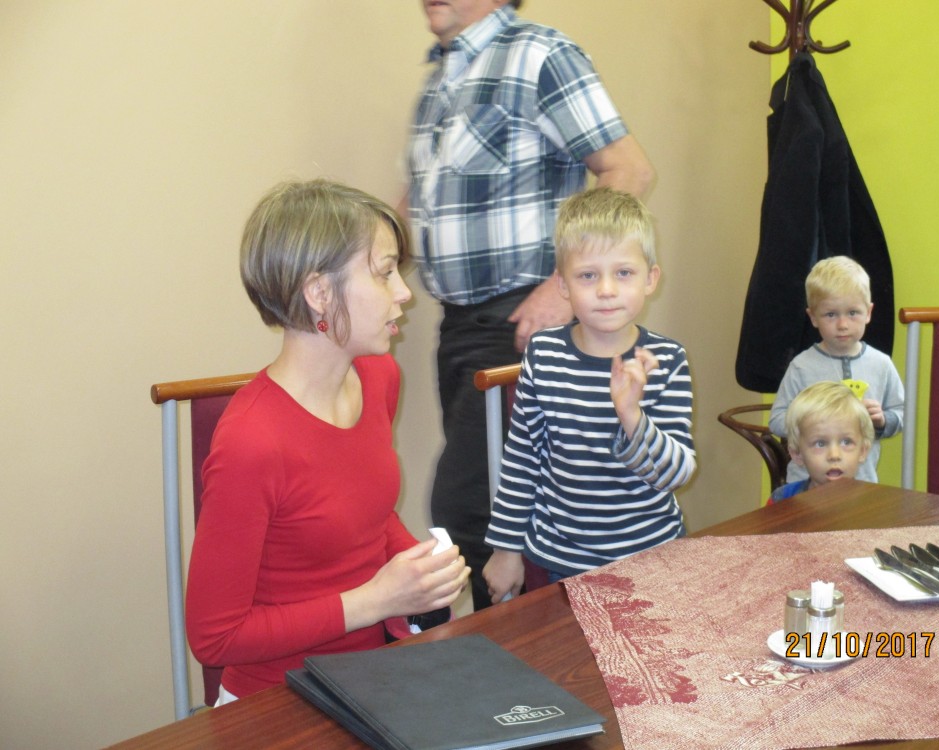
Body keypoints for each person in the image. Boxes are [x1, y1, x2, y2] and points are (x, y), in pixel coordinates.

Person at [407, 0, 655, 610]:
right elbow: (420, 206)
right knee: (502, 513)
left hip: (519, 325)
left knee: (465, 511)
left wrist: (561, 288)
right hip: (459, 329)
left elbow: (628, 170)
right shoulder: (439, 81)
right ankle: (528, 654)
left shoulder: (539, 55)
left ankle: (499, 659)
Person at [185, 179, 470, 703]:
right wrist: (376, 600)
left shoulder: (378, 376)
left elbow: (369, 517)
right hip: (278, 701)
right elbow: (214, 637)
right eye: (384, 273)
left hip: (372, 678)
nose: (404, 293)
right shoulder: (252, 441)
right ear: (318, 292)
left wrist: (418, 574)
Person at [481, 187, 696, 602]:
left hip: (650, 556)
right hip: (558, 560)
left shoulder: (666, 359)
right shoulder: (544, 354)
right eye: (588, 275)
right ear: (563, 285)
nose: (606, 289)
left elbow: (675, 474)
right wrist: (505, 549)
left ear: (650, 279)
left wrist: (632, 417)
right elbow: (523, 458)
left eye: (624, 273)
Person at [768, 255, 903, 485]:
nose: (842, 325)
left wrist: (882, 421)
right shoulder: (802, 366)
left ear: (868, 312)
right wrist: (812, 419)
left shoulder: (882, 364)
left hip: (862, 483)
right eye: (831, 314)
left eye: (852, 313)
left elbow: (900, 414)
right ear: (813, 317)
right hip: (806, 485)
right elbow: (777, 420)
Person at [768, 381, 874, 503]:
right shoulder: (782, 499)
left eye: (846, 442)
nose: (834, 455)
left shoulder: (875, 504)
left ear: (862, 451)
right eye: (820, 444)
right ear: (797, 454)